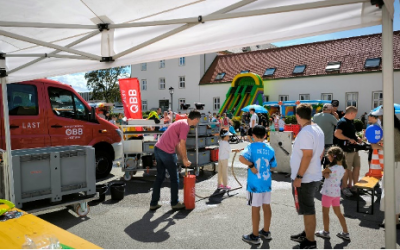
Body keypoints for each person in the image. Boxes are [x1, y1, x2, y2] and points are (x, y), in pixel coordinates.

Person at [150, 110, 202, 210]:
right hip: (166, 152)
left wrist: (182, 158)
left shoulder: (180, 122)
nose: (197, 123)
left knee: (159, 177)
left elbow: (178, 144)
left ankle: (153, 203)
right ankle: (174, 203)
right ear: (195, 119)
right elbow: (182, 143)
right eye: (198, 121)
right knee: (175, 179)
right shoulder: (185, 126)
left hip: (158, 149)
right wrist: (185, 159)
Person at [290, 104, 324, 250]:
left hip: (306, 177)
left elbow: (307, 155)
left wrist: (299, 176)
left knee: (308, 209)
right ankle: (307, 234)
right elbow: (320, 152)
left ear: (298, 116)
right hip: (313, 174)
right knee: (307, 208)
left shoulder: (305, 132)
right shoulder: (317, 129)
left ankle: (310, 242)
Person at [239, 125, 277, 245]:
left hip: (254, 184)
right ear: (265, 135)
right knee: (266, 205)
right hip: (266, 182)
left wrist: (251, 165)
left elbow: (241, 158)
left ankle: (255, 236)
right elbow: (274, 166)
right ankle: (266, 231)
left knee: (255, 208)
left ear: (253, 136)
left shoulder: (250, 146)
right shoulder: (270, 149)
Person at [369, 107, 400, 228]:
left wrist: (377, 146)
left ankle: (394, 221)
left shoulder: (390, 128)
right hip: (396, 162)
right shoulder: (396, 126)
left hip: (395, 162)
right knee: (396, 189)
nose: (379, 119)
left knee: (392, 190)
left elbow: (391, 148)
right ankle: (395, 218)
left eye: (380, 117)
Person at [315, 146, 350, 241]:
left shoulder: (330, 168)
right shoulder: (342, 168)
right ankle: (345, 232)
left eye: (328, 156)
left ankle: (326, 232)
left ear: (333, 156)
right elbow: (330, 176)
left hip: (327, 193)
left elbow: (319, 173)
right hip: (336, 193)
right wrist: (326, 175)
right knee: (338, 213)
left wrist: (325, 174)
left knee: (325, 213)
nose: (327, 157)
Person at [334, 106, 362, 197]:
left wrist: (357, 138)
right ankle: (344, 187)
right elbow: (337, 134)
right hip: (346, 150)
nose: (355, 116)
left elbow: (352, 134)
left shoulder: (350, 122)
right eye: (355, 114)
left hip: (354, 149)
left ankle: (355, 186)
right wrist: (348, 139)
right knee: (346, 169)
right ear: (351, 113)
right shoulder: (342, 122)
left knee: (357, 167)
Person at [313, 103, 338, 168]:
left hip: (317, 141)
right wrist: (336, 117)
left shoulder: (315, 116)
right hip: (328, 142)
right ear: (330, 110)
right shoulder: (331, 117)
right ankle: (325, 175)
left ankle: (317, 175)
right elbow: (338, 125)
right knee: (327, 160)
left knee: (318, 159)